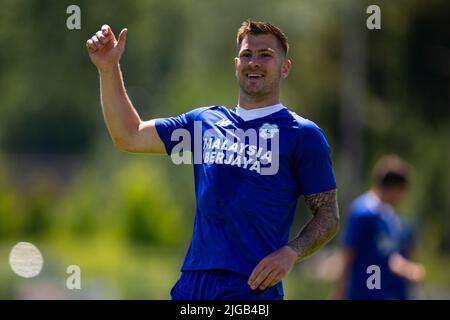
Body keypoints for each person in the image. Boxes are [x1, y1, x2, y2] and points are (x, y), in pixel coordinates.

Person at [86, 20, 339, 300]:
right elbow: (129, 135)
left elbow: (328, 216)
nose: (254, 62)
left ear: (285, 68)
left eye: (265, 55)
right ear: (236, 63)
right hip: (193, 285)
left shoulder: (302, 134)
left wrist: (291, 253)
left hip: (252, 288)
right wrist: (108, 69)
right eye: (247, 55)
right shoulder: (204, 123)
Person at [335, 154, 425, 300]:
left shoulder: (387, 215)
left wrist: (406, 268)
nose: (401, 198)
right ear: (394, 188)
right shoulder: (363, 212)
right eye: (401, 192)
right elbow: (347, 252)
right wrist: (340, 290)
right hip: (362, 293)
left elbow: (384, 255)